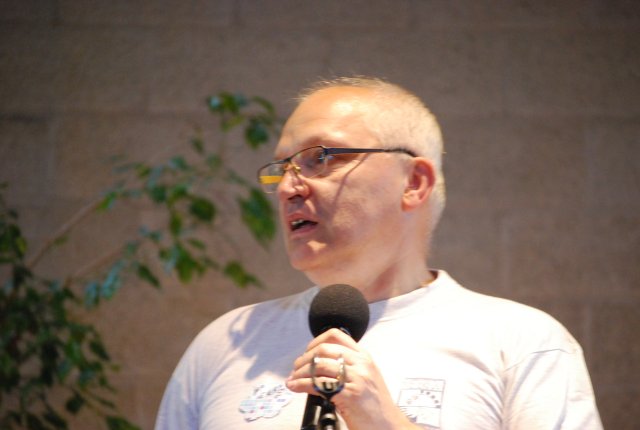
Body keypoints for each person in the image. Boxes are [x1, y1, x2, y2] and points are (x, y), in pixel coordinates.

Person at [155, 77, 602, 429]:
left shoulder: (522, 343)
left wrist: (385, 423)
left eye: (320, 157)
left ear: (414, 183)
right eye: (283, 167)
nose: (289, 187)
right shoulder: (224, 343)